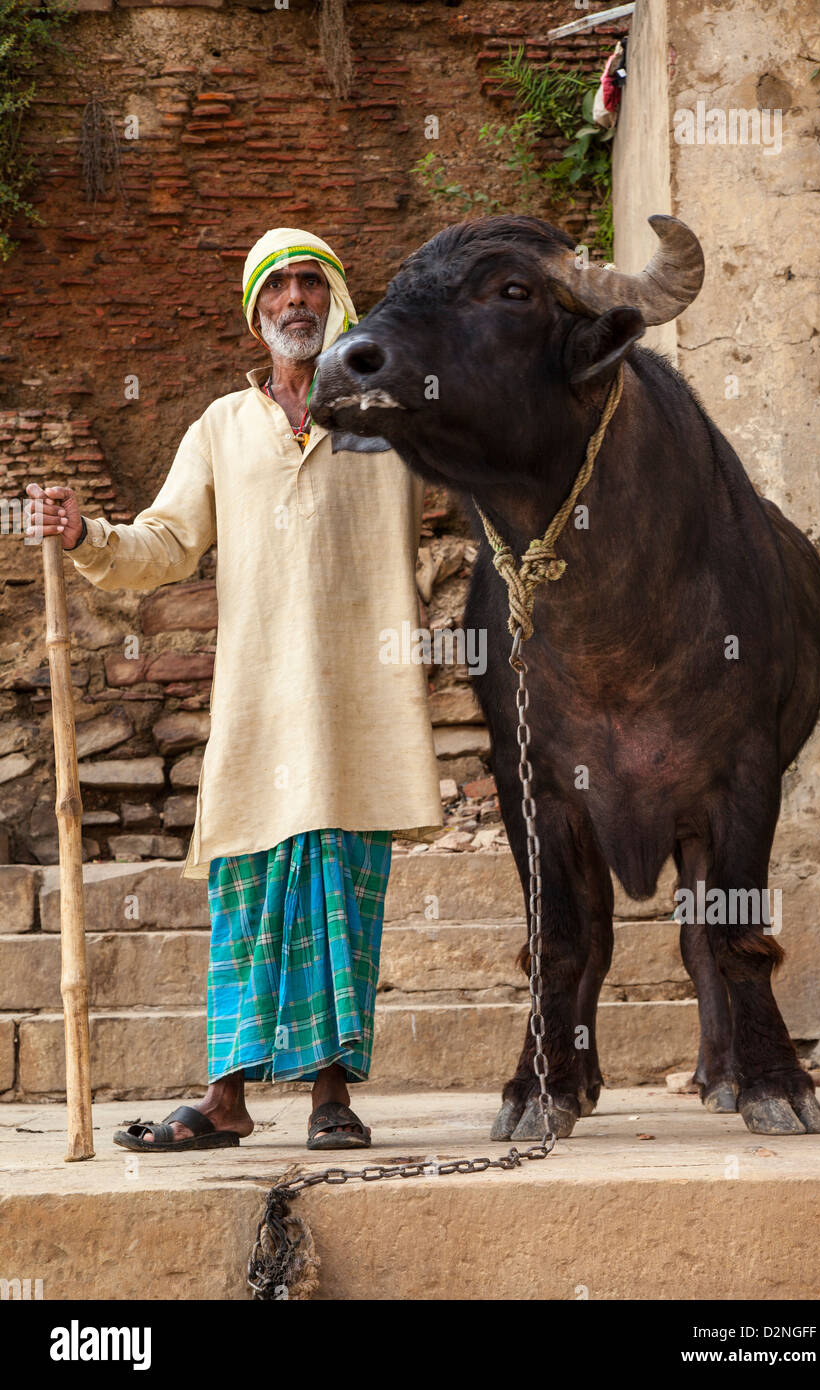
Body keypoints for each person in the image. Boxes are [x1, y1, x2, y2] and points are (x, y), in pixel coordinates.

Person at [24, 228, 443, 1151]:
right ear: (257, 316)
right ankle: (225, 1099)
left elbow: (486, 464)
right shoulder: (220, 425)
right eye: (278, 289)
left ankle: (332, 1096)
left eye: (310, 284)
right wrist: (89, 531)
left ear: (337, 302)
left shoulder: (390, 417)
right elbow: (165, 545)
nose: (295, 300)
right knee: (246, 901)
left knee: (340, 899)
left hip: (356, 711)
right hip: (259, 706)